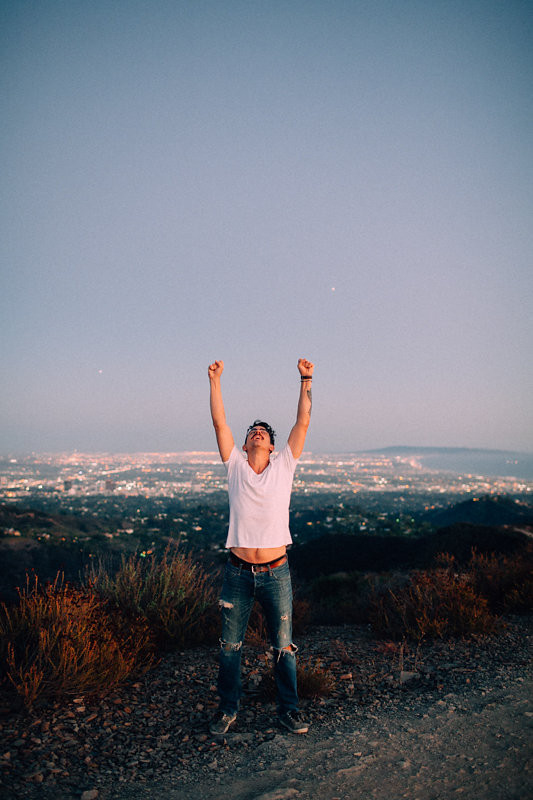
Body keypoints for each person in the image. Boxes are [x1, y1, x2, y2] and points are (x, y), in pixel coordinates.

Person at [207, 357, 314, 736]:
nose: (256, 434)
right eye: (252, 431)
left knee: (283, 646)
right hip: (237, 572)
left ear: (271, 446)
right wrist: (215, 381)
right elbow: (220, 423)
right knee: (229, 647)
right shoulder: (234, 465)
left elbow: (302, 422)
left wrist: (306, 378)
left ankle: (289, 710)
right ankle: (227, 709)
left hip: (276, 572)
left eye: (263, 433)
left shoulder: (284, 466)